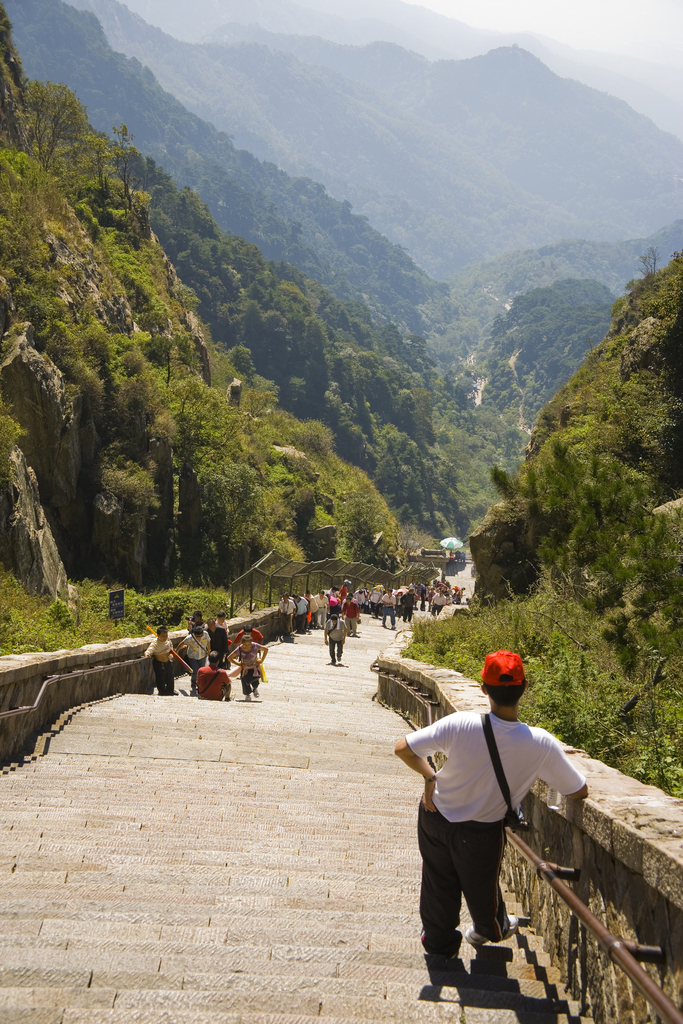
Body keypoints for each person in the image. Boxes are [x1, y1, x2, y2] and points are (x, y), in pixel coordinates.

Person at [394, 650, 588, 956]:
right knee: (481, 885)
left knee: (437, 879)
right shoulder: (540, 743)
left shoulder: (460, 724)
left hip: (435, 814)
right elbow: (578, 790)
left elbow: (403, 748)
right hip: (482, 831)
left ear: (483, 688)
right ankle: (490, 928)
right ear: (525, 688)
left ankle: (438, 943)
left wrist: (431, 778)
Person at [228, 628, 268, 701]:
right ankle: (247, 695)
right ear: (242, 643)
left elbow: (266, 649)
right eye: (245, 645)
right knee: (244, 681)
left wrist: (261, 660)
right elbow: (229, 657)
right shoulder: (239, 648)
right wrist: (238, 663)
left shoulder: (255, 646)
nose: (247, 646)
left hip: (254, 666)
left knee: (255, 680)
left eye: (248, 644)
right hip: (245, 668)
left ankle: (255, 689)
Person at [144, 625, 176, 696]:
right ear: (158, 635)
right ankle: (162, 691)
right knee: (160, 678)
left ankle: (170, 690)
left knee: (170, 677)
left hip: (168, 662)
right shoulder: (155, 643)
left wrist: (172, 655)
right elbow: (149, 650)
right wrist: (147, 654)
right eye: (163, 636)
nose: (165, 637)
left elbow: (171, 648)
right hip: (159, 663)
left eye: (166, 635)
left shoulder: (168, 640)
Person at [178, 623, 211, 691]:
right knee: (196, 670)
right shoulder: (190, 638)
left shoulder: (205, 634)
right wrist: (176, 651)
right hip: (192, 655)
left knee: (201, 670)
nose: (199, 637)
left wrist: (208, 650)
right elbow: (182, 643)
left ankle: (200, 683)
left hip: (202, 654)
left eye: (200, 636)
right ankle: (194, 682)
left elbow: (208, 642)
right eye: (197, 636)